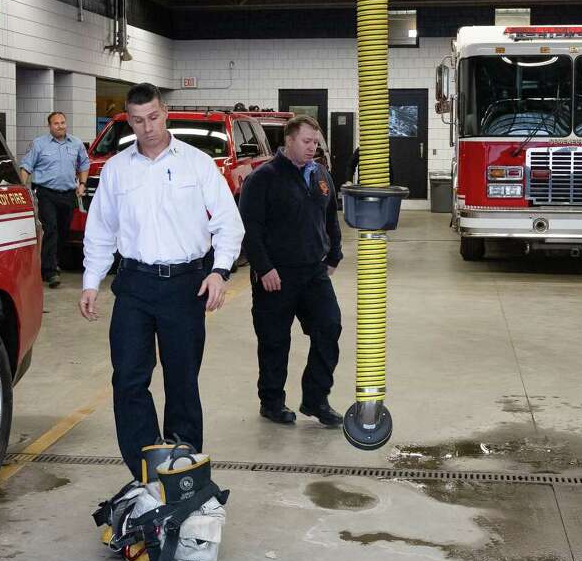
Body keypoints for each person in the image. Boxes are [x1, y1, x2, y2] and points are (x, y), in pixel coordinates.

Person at [79, 83, 244, 480]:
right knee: (129, 378)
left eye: (153, 117)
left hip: (186, 284)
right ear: (128, 121)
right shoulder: (117, 169)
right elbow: (100, 229)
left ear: (164, 112)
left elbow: (228, 222)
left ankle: (182, 464)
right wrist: (90, 280)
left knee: (182, 378)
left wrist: (219, 271)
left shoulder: (197, 163)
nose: (147, 127)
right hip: (134, 283)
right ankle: (147, 470)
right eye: (137, 121)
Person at [238, 114, 344, 429]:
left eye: (316, 142)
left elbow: (331, 219)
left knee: (329, 327)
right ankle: (271, 402)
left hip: (313, 272)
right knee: (274, 340)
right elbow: (250, 229)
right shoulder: (264, 178)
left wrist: (334, 255)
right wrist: (264, 267)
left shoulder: (321, 175)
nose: (313, 148)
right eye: (306, 141)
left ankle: (316, 399)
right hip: (276, 275)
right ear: (289, 140)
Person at [19, 112, 90, 288]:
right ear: (49, 126)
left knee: (63, 232)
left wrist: (82, 184)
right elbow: (26, 167)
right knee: (51, 228)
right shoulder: (39, 144)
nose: (60, 126)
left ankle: (49, 263)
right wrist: (22, 189)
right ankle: (51, 271)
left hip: (68, 194)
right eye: (56, 123)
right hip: (46, 193)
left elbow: (84, 165)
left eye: (63, 122)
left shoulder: (76, 143)